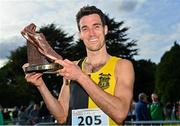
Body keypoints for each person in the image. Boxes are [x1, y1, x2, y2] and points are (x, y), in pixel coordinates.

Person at [22, 5, 134, 125]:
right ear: (80, 34)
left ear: (105, 29)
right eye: (85, 29)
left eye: (96, 26)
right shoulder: (73, 67)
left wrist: (80, 77)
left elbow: (120, 113)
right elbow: (62, 116)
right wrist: (40, 85)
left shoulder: (122, 65)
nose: (91, 34)